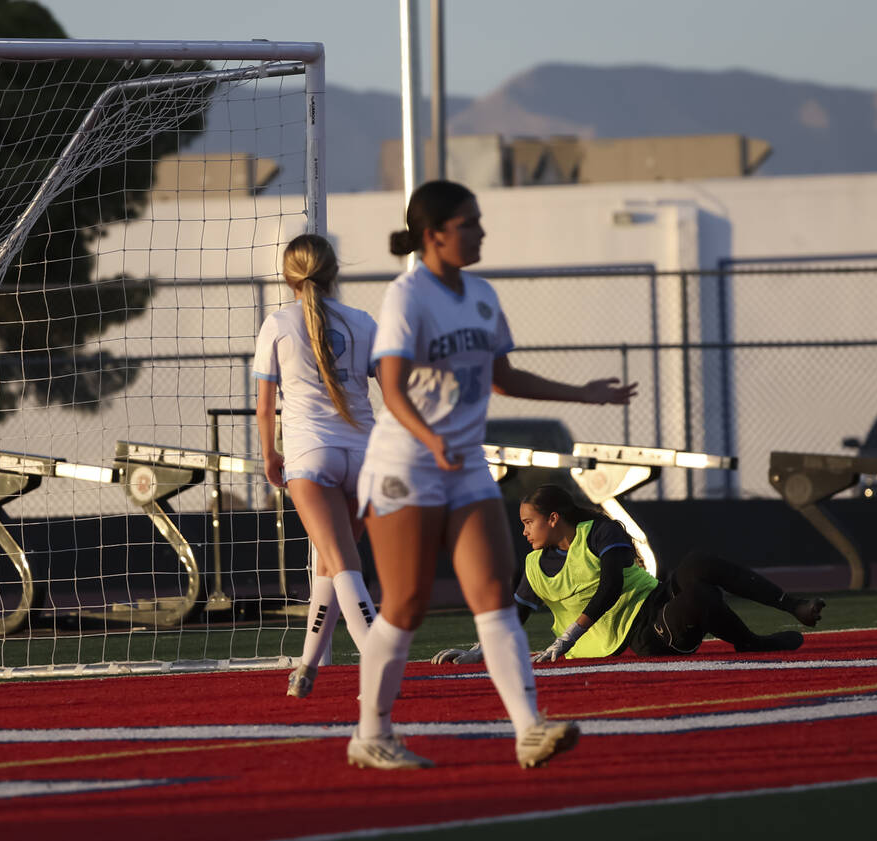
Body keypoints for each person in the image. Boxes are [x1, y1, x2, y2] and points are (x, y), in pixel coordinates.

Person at [348, 180, 638, 770]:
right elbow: (393, 385)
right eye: (470, 223)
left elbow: (504, 378)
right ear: (434, 236)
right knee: (405, 603)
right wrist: (430, 438)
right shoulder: (408, 297)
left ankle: (529, 729)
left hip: (465, 469)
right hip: (406, 466)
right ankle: (371, 732)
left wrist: (584, 394)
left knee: (496, 602)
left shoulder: (480, 293)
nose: (481, 232)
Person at [432, 483, 826, 666]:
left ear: (553, 519)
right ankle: (750, 643)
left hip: (653, 604)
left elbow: (613, 585)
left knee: (698, 563)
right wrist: (477, 652)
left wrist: (568, 636)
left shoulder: (602, 530)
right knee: (700, 598)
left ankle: (793, 607)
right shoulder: (534, 567)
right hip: (643, 637)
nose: (524, 531)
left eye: (528, 522)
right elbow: (511, 621)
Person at [253, 233, 379, 699]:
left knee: (342, 563)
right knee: (331, 563)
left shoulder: (278, 323)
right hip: (365, 456)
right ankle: (306, 665)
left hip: (311, 457)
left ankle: (377, 663)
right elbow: (394, 385)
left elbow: (265, 408)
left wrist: (270, 455)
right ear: (334, 270)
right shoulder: (364, 322)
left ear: (287, 277)